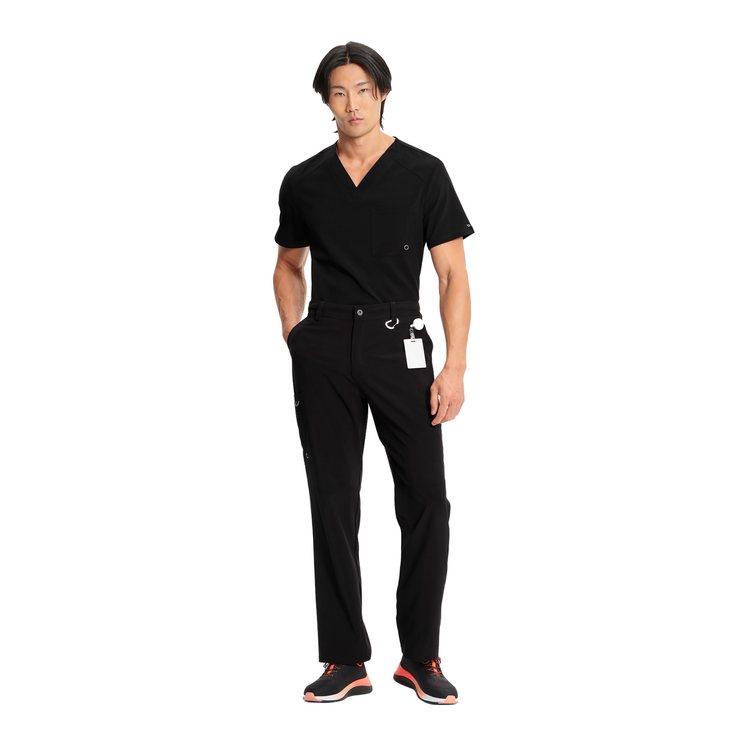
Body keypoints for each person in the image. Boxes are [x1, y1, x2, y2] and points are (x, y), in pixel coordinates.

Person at [272, 41, 473, 705]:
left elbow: (452, 275)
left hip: (399, 342)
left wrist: (454, 364)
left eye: (363, 89)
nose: (352, 104)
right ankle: (344, 659)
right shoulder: (304, 180)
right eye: (339, 92)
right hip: (326, 344)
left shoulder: (423, 173)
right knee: (333, 501)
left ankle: (420, 656)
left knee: (427, 501)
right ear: (326, 101)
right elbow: (288, 264)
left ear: (383, 93)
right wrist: (296, 337)